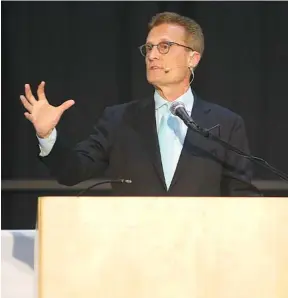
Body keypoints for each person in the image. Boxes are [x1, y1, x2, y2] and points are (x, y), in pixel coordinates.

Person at [20, 12, 253, 196]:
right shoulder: (118, 119)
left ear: (193, 58)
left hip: (201, 250)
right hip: (134, 249)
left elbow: (242, 198)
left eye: (164, 46)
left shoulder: (226, 124)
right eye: (149, 48)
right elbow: (72, 172)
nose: (152, 56)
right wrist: (47, 134)